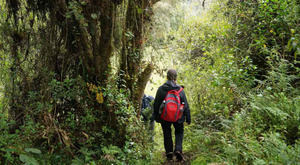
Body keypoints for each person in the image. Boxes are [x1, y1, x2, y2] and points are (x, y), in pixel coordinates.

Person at [152, 69, 191, 162]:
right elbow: (185, 105)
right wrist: (188, 118)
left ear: (167, 77)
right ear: (176, 78)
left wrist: (156, 117)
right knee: (179, 132)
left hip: (165, 117)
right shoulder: (180, 90)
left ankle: (169, 153)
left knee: (167, 133)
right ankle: (178, 150)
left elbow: (156, 104)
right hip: (179, 116)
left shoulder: (161, 89)